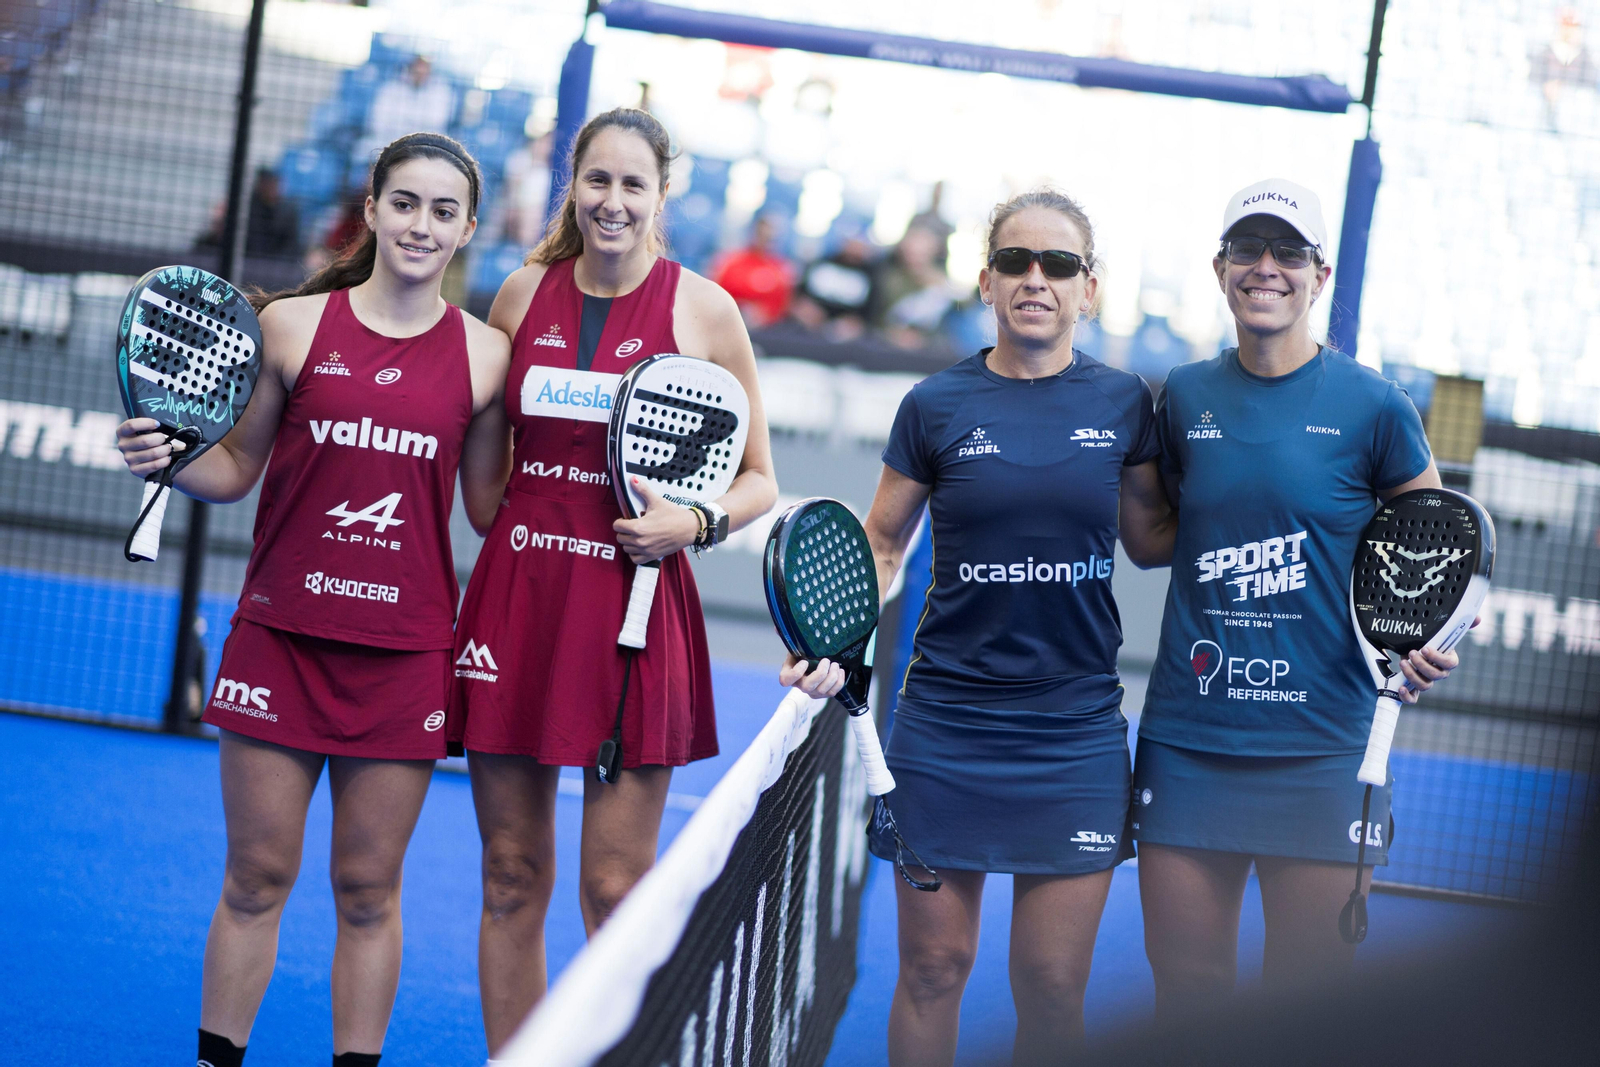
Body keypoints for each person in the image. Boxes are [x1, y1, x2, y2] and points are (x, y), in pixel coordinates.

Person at [115, 133, 510, 1067]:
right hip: (280, 638)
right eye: (404, 203)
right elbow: (233, 469)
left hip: (405, 655)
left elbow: (490, 509)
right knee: (255, 877)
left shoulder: (488, 356)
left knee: (368, 890)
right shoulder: (291, 327)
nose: (420, 225)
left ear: (468, 229)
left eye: (443, 211)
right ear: (370, 210)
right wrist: (162, 459)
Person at [787, 189, 1176, 1066]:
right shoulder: (935, 404)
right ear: (985, 280)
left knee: (1051, 983)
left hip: (1074, 735)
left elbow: (1154, 539)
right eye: (1014, 261)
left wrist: (1279, 514)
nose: (1036, 278)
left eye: (1058, 264)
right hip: (945, 729)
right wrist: (827, 636)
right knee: (933, 969)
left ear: (1088, 288)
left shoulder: (1126, 404)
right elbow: (882, 543)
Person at [447, 107, 778, 1057]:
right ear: (574, 186)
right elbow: (484, 489)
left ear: (661, 195)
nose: (613, 201)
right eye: (598, 180)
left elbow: (759, 479)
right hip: (518, 609)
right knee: (510, 875)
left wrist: (694, 521)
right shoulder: (520, 294)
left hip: (636, 613)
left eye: (635, 184)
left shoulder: (704, 310)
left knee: (615, 891)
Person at [1133, 178, 1461, 1020]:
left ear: (1320, 275)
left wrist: (1426, 641)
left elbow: (1439, 546)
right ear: (1220, 268)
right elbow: (1155, 539)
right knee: (1186, 1003)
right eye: (1248, 248)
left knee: (1303, 1012)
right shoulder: (1184, 396)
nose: (1266, 267)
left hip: (1324, 750)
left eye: (1288, 251)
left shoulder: (1375, 406)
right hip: (1190, 741)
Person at [362, 56, 456, 163]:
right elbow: (378, 121)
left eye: (424, 69)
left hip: (425, 145)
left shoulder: (441, 91)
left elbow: (437, 121)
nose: (420, 73)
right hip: (388, 139)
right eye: (417, 69)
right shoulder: (391, 88)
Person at [711, 214, 795, 328]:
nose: (765, 241)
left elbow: (782, 306)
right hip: (729, 321)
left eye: (769, 237)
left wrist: (762, 314)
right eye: (761, 235)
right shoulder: (731, 261)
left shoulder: (782, 270)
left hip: (767, 329)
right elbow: (717, 294)